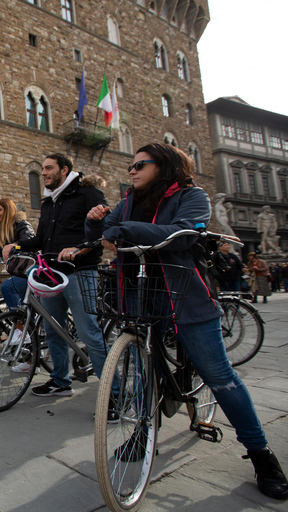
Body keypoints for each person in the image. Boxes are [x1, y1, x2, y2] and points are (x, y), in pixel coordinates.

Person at [86, 142, 288, 501]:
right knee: (144, 370)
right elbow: (105, 235)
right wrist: (95, 223)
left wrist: (121, 230)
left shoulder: (193, 196)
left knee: (219, 376)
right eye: (131, 166)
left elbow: (181, 234)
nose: (131, 171)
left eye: (139, 165)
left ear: (163, 166)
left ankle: (260, 453)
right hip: (138, 293)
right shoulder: (128, 200)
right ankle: (145, 432)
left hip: (185, 295)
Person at [10, 154, 112, 402]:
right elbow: (40, 240)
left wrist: (79, 249)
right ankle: (60, 381)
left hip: (80, 272)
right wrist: (17, 246)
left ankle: (115, 392)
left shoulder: (87, 194)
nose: (43, 173)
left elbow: (103, 232)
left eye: (48, 168)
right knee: (53, 330)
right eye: (42, 169)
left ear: (64, 170)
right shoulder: (49, 203)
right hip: (51, 274)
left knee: (89, 333)